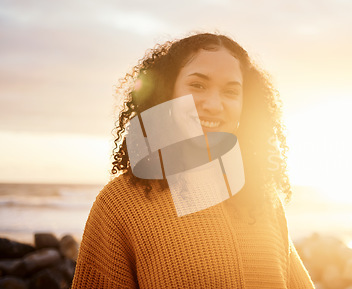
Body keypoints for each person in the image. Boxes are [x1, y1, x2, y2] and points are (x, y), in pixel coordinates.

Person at [71, 33, 314, 288]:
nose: (213, 104)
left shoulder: (262, 200)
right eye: (198, 85)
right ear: (167, 92)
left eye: (231, 91)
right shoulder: (120, 205)